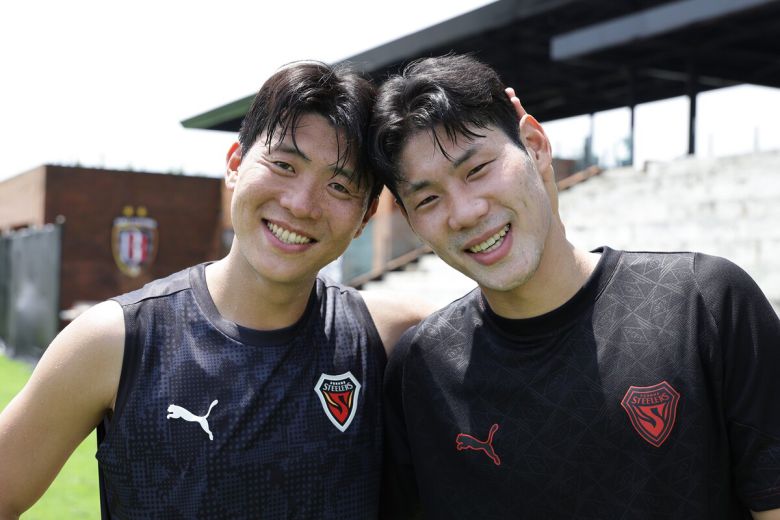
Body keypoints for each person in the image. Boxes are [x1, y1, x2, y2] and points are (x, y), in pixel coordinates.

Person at [0, 61, 429, 519]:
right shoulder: (117, 341)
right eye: (284, 165)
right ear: (235, 165)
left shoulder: (390, 339)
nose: (301, 204)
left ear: (366, 216)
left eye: (339, 186)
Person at [370, 54, 780, 519]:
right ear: (411, 220)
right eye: (428, 198)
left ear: (534, 145)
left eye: (477, 169)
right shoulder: (421, 371)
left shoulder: (703, 305)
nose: (465, 212)